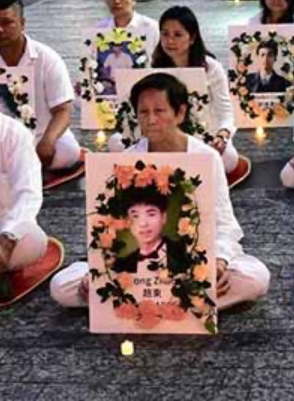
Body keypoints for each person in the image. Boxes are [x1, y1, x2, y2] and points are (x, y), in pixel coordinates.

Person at [50, 73, 270, 310]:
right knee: (63, 287)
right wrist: (98, 269)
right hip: (138, 264)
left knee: (255, 279)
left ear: (180, 113)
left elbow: (225, 222)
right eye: (144, 112)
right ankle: (183, 302)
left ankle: (147, 302)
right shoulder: (126, 161)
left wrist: (220, 261)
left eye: (160, 111)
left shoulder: (206, 157)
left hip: (192, 261)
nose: (151, 120)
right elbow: (109, 227)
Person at [0, 0, 81, 171]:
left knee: (68, 152)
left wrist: (48, 141)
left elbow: (63, 110)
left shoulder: (47, 59)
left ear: (22, 23)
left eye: (7, 22)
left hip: (40, 135)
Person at [151, 7, 240, 173]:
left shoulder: (211, 67)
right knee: (117, 142)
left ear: (192, 38)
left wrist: (222, 135)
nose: (170, 41)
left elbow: (226, 111)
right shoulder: (153, 67)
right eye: (165, 34)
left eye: (177, 35)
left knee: (229, 159)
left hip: (206, 135)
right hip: (167, 134)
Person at [0, 107, 49, 286]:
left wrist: (5, 240)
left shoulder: (14, 135)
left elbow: (28, 194)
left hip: (0, 227)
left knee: (34, 240)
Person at [95, 0, 160, 49]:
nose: (117, 1)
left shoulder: (151, 27)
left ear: (133, 0)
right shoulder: (99, 28)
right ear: (106, 0)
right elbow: (88, 58)